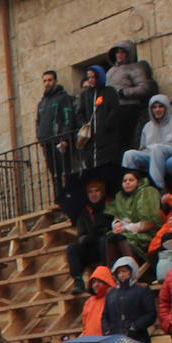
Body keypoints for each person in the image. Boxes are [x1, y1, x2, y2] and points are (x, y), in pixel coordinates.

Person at [75, 65, 123, 189]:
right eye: (88, 77)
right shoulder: (85, 95)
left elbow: (114, 110)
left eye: (92, 77)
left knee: (107, 167)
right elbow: (80, 112)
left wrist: (107, 124)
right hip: (91, 140)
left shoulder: (109, 92)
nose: (90, 80)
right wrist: (84, 124)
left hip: (107, 139)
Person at [122, 94, 172, 190]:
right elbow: (142, 148)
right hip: (151, 154)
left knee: (157, 149)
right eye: (154, 107)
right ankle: (130, 186)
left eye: (160, 106)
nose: (157, 110)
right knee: (129, 154)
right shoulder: (147, 126)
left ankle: (156, 187)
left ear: (167, 107)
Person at [105, 40, 157, 153]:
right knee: (116, 141)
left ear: (129, 54)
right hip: (114, 109)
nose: (120, 55)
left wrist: (124, 92)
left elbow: (144, 87)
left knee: (129, 139)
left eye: (123, 52)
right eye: (118, 52)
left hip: (129, 108)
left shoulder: (135, 68)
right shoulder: (110, 71)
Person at [103, 171, 161, 268]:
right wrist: (117, 223)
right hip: (128, 232)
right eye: (124, 180)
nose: (127, 182)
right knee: (111, 238)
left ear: (138, 182)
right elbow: (118, 215)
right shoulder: (120, 196)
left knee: (122, 238)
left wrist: (127, 228)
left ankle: (133, 271)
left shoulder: (147, 192)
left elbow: (150, 223)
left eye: (131, 180)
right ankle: (112, 274)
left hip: (148, 233)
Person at [36, 69, 77, 198]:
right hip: (46, 143)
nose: (47, 83)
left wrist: (65, 138)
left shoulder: (63, 98)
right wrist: (40, 139)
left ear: (55, 81)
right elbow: (38, 121)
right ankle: (59, 198)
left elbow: (67, 118)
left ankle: (70, 196)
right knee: (54, 173)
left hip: (60, 141)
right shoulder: (42, 103)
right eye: (45, 81)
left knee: (66, 171)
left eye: (50, 80)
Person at [66, 180, 111, 293]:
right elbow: (81, 234)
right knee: (72, 248)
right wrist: (87, 237)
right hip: (91, 246)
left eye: (97, 191)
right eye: (90, 192)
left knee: (103, 240)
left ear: (102, 193)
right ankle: (78, 281)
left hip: (107, 243)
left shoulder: (110, 207)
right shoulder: (84, 212)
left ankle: (105, 276)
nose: (93, 194)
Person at [101, 256, 156, 343]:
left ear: (131, 271)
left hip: (138, 338)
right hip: (115, 338)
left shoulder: (142, 289)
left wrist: (135, 326)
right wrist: (107, 330)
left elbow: (151, 313)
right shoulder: (111, 293)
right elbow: (105, 316)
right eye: (118, 272)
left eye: (124, 271)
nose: (121, 275)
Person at [81, 264, 116, 336]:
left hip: (107, 341)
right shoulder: (88, 302)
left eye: (99, 281)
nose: (96, 285)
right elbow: (85, 325)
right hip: (90, 341)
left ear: (107, 282)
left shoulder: (113, 298)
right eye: (94, 282)